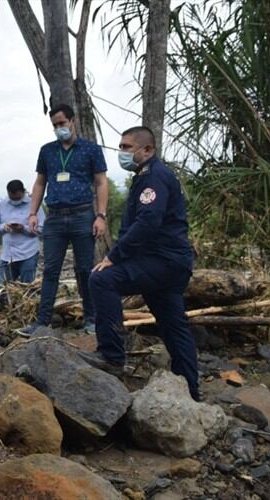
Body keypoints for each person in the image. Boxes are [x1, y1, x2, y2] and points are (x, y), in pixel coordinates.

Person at [79, 126, 199, 400]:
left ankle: (112, 356)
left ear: (147, 150)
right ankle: (191, 390)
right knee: (172, 323)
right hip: (172, 263)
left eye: (126, 147)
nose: (121, 152)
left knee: (101, 279)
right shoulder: (148, 176)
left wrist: (114, 257)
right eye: (120, 147)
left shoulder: (153, 177)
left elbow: (148, 222)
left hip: (162, 261)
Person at [26, 104, 109, 333]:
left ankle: (91, 319)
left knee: (84, 270)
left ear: (72, 121)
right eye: (55, 125)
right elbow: (40, 182)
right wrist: (33, 213)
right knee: (50, 270)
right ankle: (42, 321)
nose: (59, 128)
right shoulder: (47, 151)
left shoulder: (90, 149)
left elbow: (101, 182)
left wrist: (101, 216)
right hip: (55, 217)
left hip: (83, 214)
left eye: (62, 123)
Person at [0, 179, 45, 292]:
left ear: (23, 192)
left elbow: (42, 229)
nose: (15, 201)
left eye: (18, 198)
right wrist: (3, 227)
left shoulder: (34, 205)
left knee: (27, 290)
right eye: (12, 198)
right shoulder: (2, 204)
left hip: (28, 254)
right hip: (7, 255)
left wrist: (23, 229)